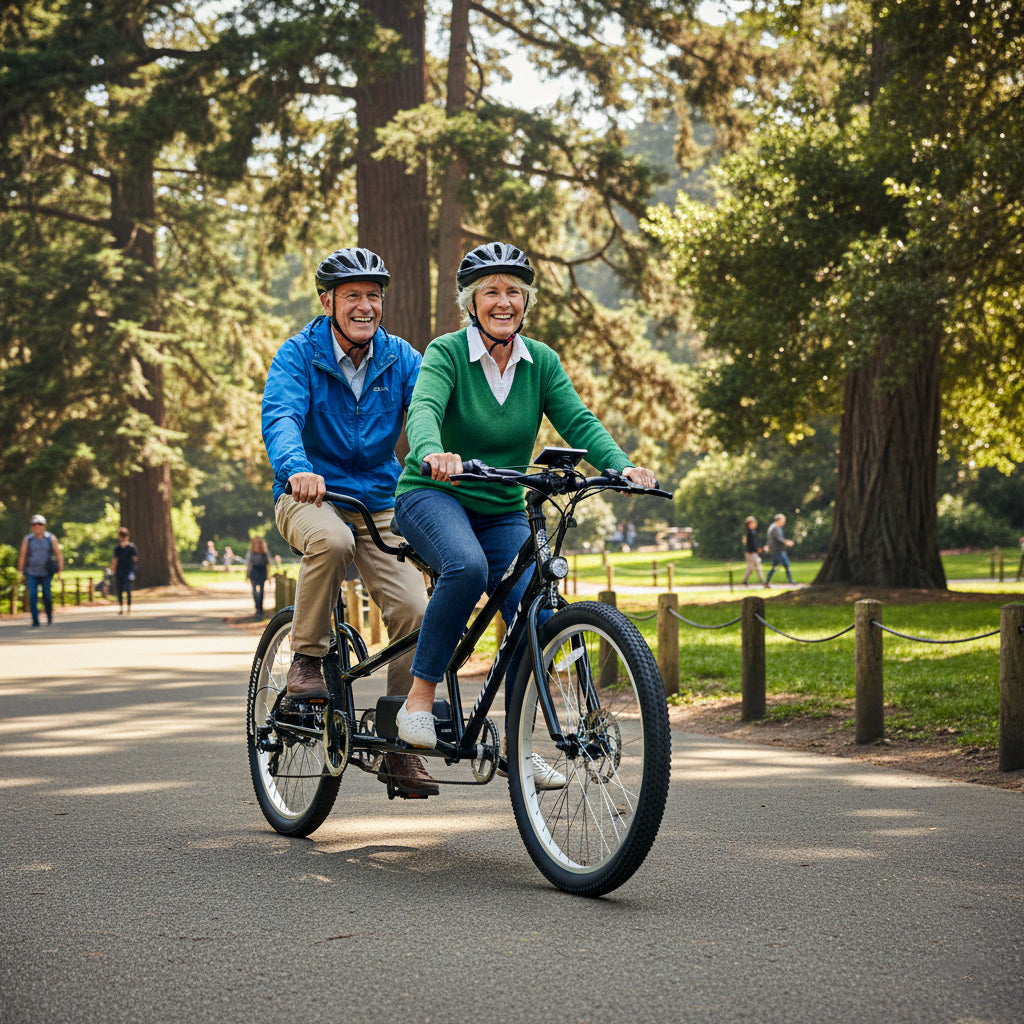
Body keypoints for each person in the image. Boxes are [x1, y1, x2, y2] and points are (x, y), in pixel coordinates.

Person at [392, 241, 658, 790]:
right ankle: (418, 700)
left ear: (526, 302)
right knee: (466, 567)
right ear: (471, 303)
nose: (504, 301)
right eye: (491, 291)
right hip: (432, 493)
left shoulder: (541, 362)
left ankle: (518, 741)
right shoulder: (447, 353)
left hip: (502, 505)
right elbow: (424, 409)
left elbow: (579, 422)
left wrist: (621, 466)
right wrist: (432, 451)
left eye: (514, 291)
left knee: (535, 607)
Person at [262, 245, 434, 797]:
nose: (365, 306)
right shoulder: (299, 355)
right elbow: (281, 416)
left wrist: (440, 455)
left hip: (379, 501)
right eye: (353, 295)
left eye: (373, 296)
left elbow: (428, 413)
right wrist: (296, 468)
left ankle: (399, 743)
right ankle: (307, 659)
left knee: (415, 610)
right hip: (309, 494)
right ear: (327, 302)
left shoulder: (401, 357)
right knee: (332, 541)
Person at [16, 514, 63, 627]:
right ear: (31, 527)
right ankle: (35, 620)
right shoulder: (28, 539)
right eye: (34, 524)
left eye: (39, 524)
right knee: (33, 595)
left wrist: (60, 571)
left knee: (47, 595)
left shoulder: (51, 538)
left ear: (44, 526)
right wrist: (20, 572)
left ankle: (49, 616)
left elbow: (58, 554)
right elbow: (22, 556)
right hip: (32, 572)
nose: (37, 526)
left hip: (46, 572)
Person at [110, 526, 138, 614]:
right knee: (121, 588)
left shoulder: (130, 547)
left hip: (127, 570)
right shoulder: (119, 548)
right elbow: (115, 559)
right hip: (122, 570)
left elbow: (135, 558)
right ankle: (123, 607)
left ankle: (127, 607)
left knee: (126, 588)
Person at [764, 512, 796, 585]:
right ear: (779, 520)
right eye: (783, 520)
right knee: (775, 566)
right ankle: (767, 582)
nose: (784, 522)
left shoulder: (775, 527)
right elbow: (779, 539)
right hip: (777, 550)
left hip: (780, 550)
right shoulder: (775, 528)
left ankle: (791, 580)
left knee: (786, 564)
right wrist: (787, 542)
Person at [246, 536, 271, 617]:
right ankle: (258, 609)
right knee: (257, 592)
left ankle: (259, 609)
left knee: (259, 592)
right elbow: (249, 564)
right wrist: (247, 574)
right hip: (256, 572)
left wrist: (269, 576)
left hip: (260, 572)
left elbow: (268, 564)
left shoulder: (264, 553)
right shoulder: (253, 553)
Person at [741, 515, 767, 587]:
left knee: (753, 567)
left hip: (753, 553)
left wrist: (759, 548)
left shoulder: (752, 532)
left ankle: (745, 581)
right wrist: (757, 550)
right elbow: (753, 544)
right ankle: (762, 581)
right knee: (755, 567)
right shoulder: (750, 533)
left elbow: (756, 542)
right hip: (751, 553)